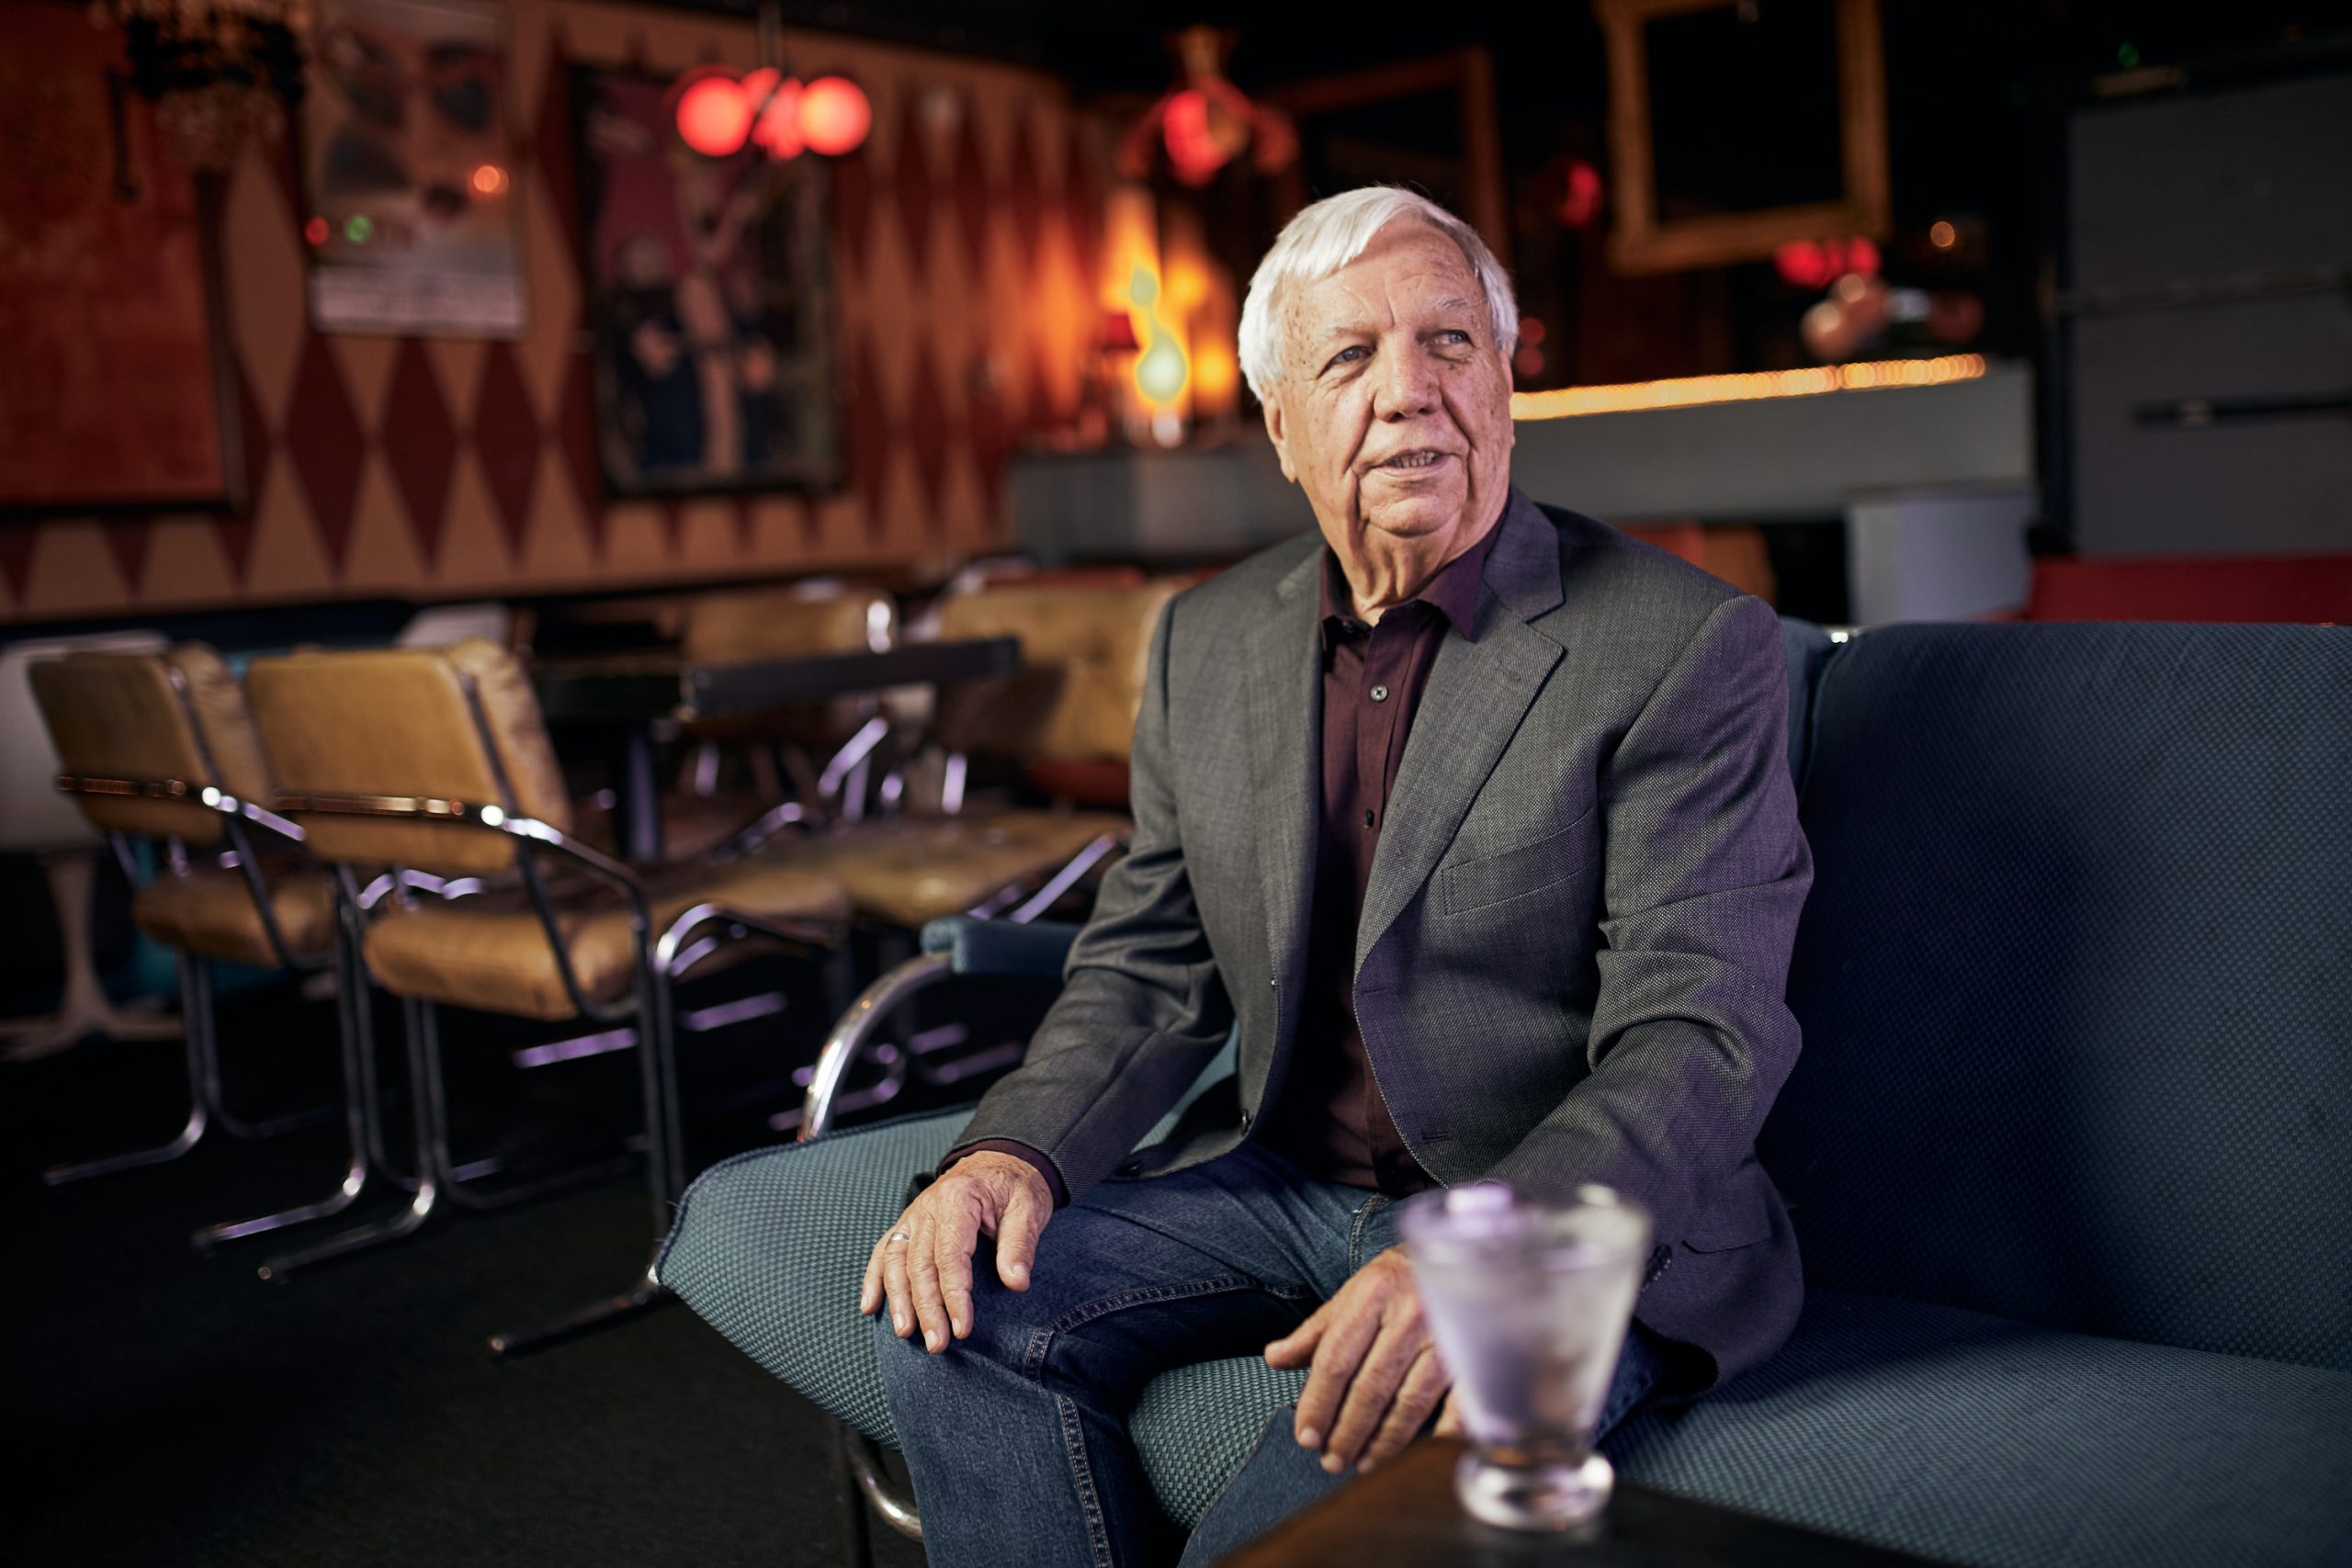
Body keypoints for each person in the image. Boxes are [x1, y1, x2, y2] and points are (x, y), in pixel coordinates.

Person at [864, 186, 1813, 1566]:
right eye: (1351, 357)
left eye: (1449, 342)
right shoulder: (1205, 639)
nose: (1410, 391)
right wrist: (1008, 1152)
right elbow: (1149, 968)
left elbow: (1702, 1033)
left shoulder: (1683, 645)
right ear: (1281, 426)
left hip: (1549, 1213)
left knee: (1299, 1535)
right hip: (1274, 1181)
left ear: (1504, 379)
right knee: (954, 1318)